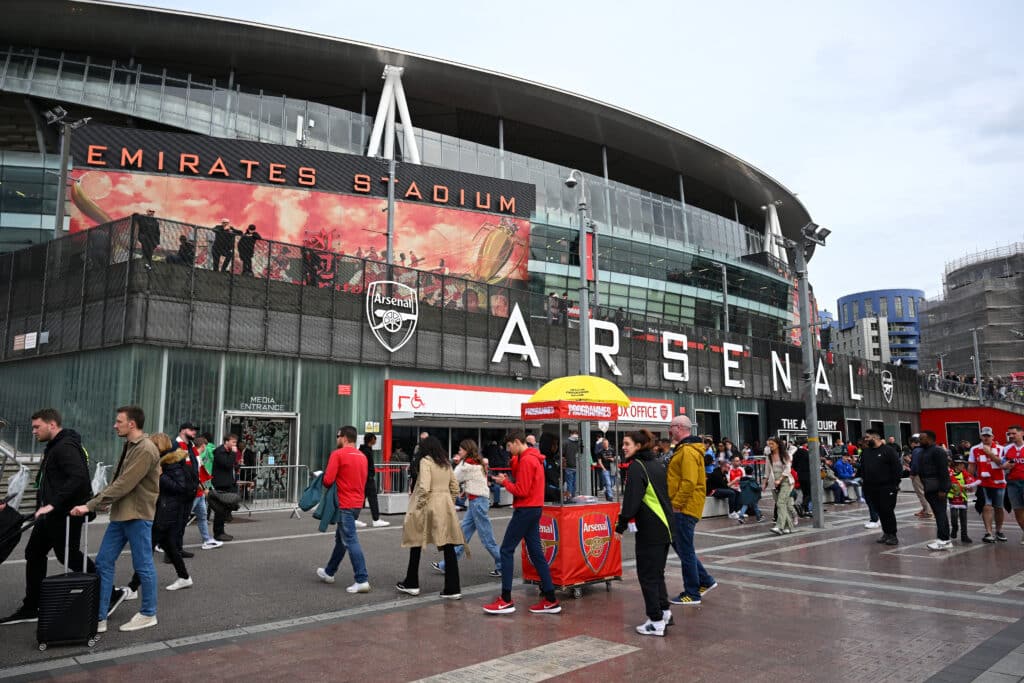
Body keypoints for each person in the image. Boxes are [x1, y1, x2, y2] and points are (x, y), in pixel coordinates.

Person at [0, 409, 100, 626]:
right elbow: (49, 482)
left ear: (52, 424)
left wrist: (53, 504)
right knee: (34, 552)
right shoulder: (55, 447)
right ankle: (31, 606)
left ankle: (106, 590)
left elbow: (79, 478)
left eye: (37, 427)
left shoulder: (65, 448)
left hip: (64, 514)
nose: (34, 431)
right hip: (50, 514)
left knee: (69, 556)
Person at [70, 405, 160, 634]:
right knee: (103, 562)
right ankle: (99, 616)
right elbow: (119, 482)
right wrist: (101, 501)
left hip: (137, 514)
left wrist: (91, 504)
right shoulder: (130, 445)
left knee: (143, 564)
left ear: (132, 424)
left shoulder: (145, 449)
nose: (114, 425)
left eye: (119, 421)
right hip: (122, 513)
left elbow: (125, 483)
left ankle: (149, 613)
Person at [483, 431, 561, 615]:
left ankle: (506, 599)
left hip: (525, 509)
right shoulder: (533, 458)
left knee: (506, 550)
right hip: (534, 508)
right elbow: (524, 482)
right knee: (536, 553)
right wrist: (508, 480)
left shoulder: (527, 460)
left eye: (510, 447)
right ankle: (550, 598)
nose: (509, 451)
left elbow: (521, 489)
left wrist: (506, 484)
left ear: (517, 442)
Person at [616, 430, 673, 637]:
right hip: (665, 527)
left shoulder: (637, 467)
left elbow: (631, 500)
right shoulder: (656, 463)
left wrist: (620, 526)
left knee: (647, 576)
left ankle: (655, 621)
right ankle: (664, 612)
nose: (623, 447)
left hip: (651, 529)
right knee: (657, 573)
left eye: (627, 443)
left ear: (639, 446)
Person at [124, 434, 196, 591]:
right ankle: (184, 577)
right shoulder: (166, 461)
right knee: (169, 546)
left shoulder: (171, 463)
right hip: (166, 510)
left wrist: (161, 475)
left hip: (166, 511)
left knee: (147, 548)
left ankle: (133, 587)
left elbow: (180, 487)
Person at [396, 436, 465, 599]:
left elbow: (424, 487)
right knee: (448, 545)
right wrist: (449, 501)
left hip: (428, 505)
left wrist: (418, 505)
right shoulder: (446, 463)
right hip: (445, 505)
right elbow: (455, 487)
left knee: (416, 541)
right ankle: (453, 587)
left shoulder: (425, 461)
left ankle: (412, 582)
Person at [666, 415, 716, 606]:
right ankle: (705, 580)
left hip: (684, 508)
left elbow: (689, 481)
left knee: (685, 549)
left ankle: (692, 593)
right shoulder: (688, 449)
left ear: (679, 428)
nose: (669, 431)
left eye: (671, 427)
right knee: (680, 546)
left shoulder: (687, 451)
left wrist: (676, 503)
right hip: (686, 506)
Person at [433, 440, 501, 577]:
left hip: (477, 503)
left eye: (461, 449)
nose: (459, 451)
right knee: (463, 535)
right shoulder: (477, 462)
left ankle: (503, 564)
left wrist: (453, 463)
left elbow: (452, 478)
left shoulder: (466, 465)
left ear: (466, 450)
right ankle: (446, 564)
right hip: (478, 502)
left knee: (486, 538)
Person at [315, 426, 371, 593]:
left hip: (344, 503)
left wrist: (320, 476)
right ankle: (329, 572)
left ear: (344, 437)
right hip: (357, 502)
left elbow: (328, 480)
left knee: (350, 540)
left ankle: (362, 579)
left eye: (338, 436)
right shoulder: (362, 456)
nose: (337, 439)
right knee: (342, 540)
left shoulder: (337, 454)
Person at [860, 430, 902, 546]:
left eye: (868, 437)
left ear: (875, 437)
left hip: (887, 487)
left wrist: (895, 484)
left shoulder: (888, 451)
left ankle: (893, 535)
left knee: (887, 511)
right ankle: (886, 533)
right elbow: (863, 468)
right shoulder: (866, 452)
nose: (866, 439)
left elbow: (897, 469)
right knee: (880, 511)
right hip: (871, 488)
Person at [970, 426, 1007, 543]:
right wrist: (970, 482)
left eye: (988, 436)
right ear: (981, 436)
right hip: (983, 483)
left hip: (999, 482)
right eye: (984, 436)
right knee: (986, 506)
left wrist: (989, 453)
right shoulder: (974, 449)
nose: (986, 438)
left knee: (999, 507)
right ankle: (988, 532)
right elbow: (971, 466)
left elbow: (1003, 464)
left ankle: (999, 530)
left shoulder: (1001, 449)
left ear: (993, 437)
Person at [918, 431, 952, 551]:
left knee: (940, 512)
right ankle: (943, 538)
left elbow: (943, 471)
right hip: (929, 486)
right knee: (938, 513)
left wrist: (943, 489)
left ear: (930, 439)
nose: (920, 441)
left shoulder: (938, 451)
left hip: (937, 487)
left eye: (922, 438)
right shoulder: (925, 451)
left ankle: (944, 539)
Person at [211, 434, 240, 542]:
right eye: (232, 442)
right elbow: (227, 464)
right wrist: (233, 453)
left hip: (229, 483)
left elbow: (232, 465)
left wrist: (237, 466)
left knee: (231, 503)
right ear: (226, 442)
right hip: (221, 484)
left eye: (235, 442)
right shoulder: (219, 452)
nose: (234, 445)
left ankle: (222, 528)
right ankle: (218, 532)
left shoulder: (228, 453)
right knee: (220, 509)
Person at [764, 437, 796, 536]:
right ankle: (788, 526)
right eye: (769, 444)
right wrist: (764, 482)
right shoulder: (769, 456)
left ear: (778, 444)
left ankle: (779, 526)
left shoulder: (785, 455)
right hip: (774, 482)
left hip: (785, 480)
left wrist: (780, 479)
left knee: (781, 503)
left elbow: (787, 469)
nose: (770, 446)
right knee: (781, 504)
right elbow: (767, 470)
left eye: (772, 444)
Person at [356, 434, 389, 528]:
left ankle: (354, 518)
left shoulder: (363, 450)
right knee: (372, 499)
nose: (376, 441)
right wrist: (370, 475)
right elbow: (365, 465)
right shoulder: (366, 451)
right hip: (367, 479)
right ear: (371, 440)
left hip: (363, 478)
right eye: (375, 439)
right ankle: (376, 519)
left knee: (361, 499)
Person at [1001, 425, 1024, 545]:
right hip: (1012, 483)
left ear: (1021, 433)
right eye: (1009, 434)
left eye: (1014, 433)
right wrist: (1004, 466)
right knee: (1018, 512)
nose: (1011, 436)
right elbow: (1003, 463)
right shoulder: (1007, 448)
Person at [948, 455, 977, 544]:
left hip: (963, 498)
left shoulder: (964, 472)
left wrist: (970, 486)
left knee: (963, 518)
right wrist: (962, 487)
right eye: (961, 464)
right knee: (954, 516)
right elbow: (953, 482)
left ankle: (964, 535)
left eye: (963, 464)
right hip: (953, 498)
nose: (963, 466)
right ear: (956, 465)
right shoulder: (950, 472)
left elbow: (970, 479)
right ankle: (954, 528)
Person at [908, 435, 932, 519]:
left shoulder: (916, 451)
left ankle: (928, 511)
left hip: (918, 474)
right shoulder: (925, 449)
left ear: (913, 443)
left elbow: (915, 463)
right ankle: (926, 509)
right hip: (927, 474)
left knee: (921, 493)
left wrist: (912, 473)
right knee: (926, 492)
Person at [561, 429, 580, 499]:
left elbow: (561, 454)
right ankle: (573, 497)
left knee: (569, 483)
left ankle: (570, 497)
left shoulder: (565, 443)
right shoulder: (578, 443)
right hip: (575, 466)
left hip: (569, 466)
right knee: (573, 484)